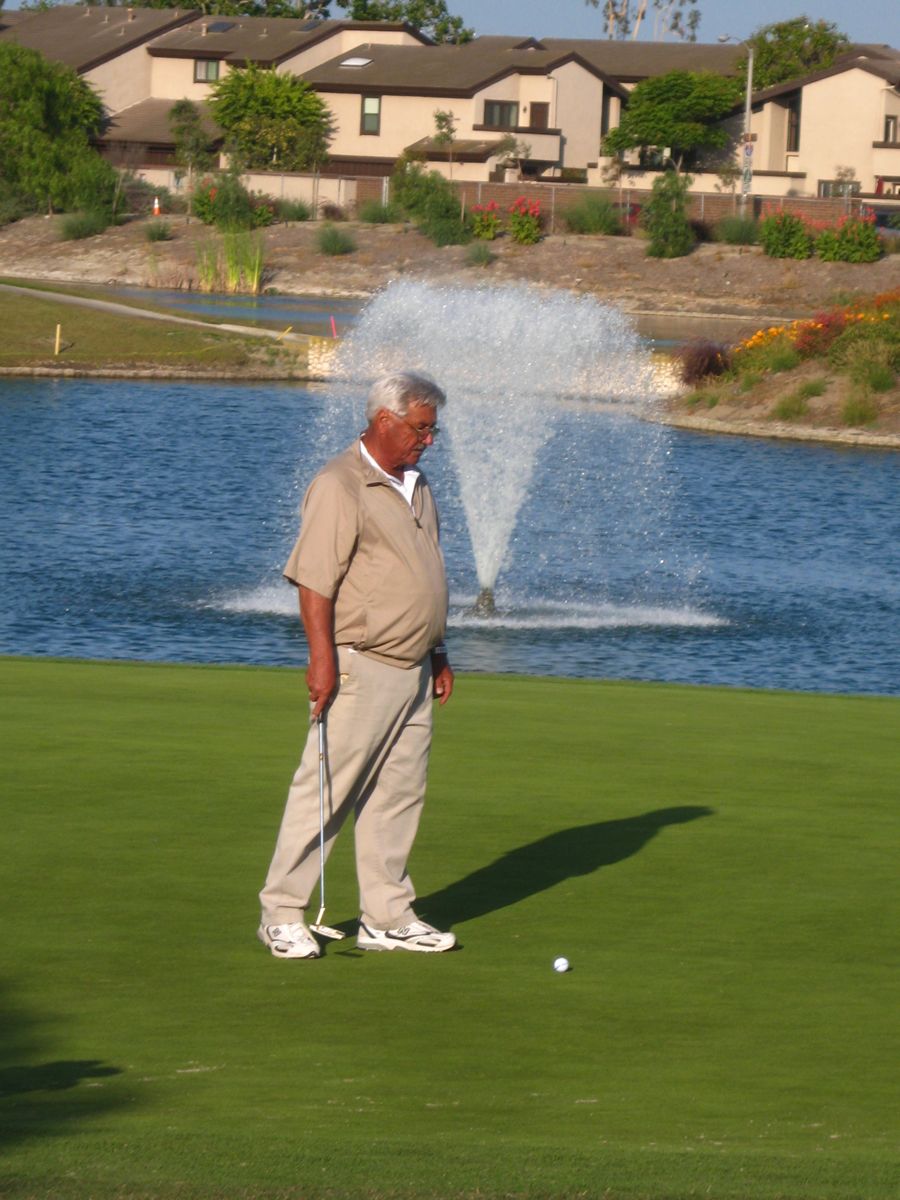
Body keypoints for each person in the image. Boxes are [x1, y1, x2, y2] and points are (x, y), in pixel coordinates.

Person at [258, 371, 456, 959]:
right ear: (384, 420)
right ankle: (283, 913)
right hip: (359, 664)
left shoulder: (418, 485)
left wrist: (440, 652)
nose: (427, 440)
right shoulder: (339, 483)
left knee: (398, 795)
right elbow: (315, 582)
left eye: (433, 431)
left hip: (415, 668)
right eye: (420, 429)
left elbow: (429, 573)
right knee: (324, 791)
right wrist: (322, 660)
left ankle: (387, 915)